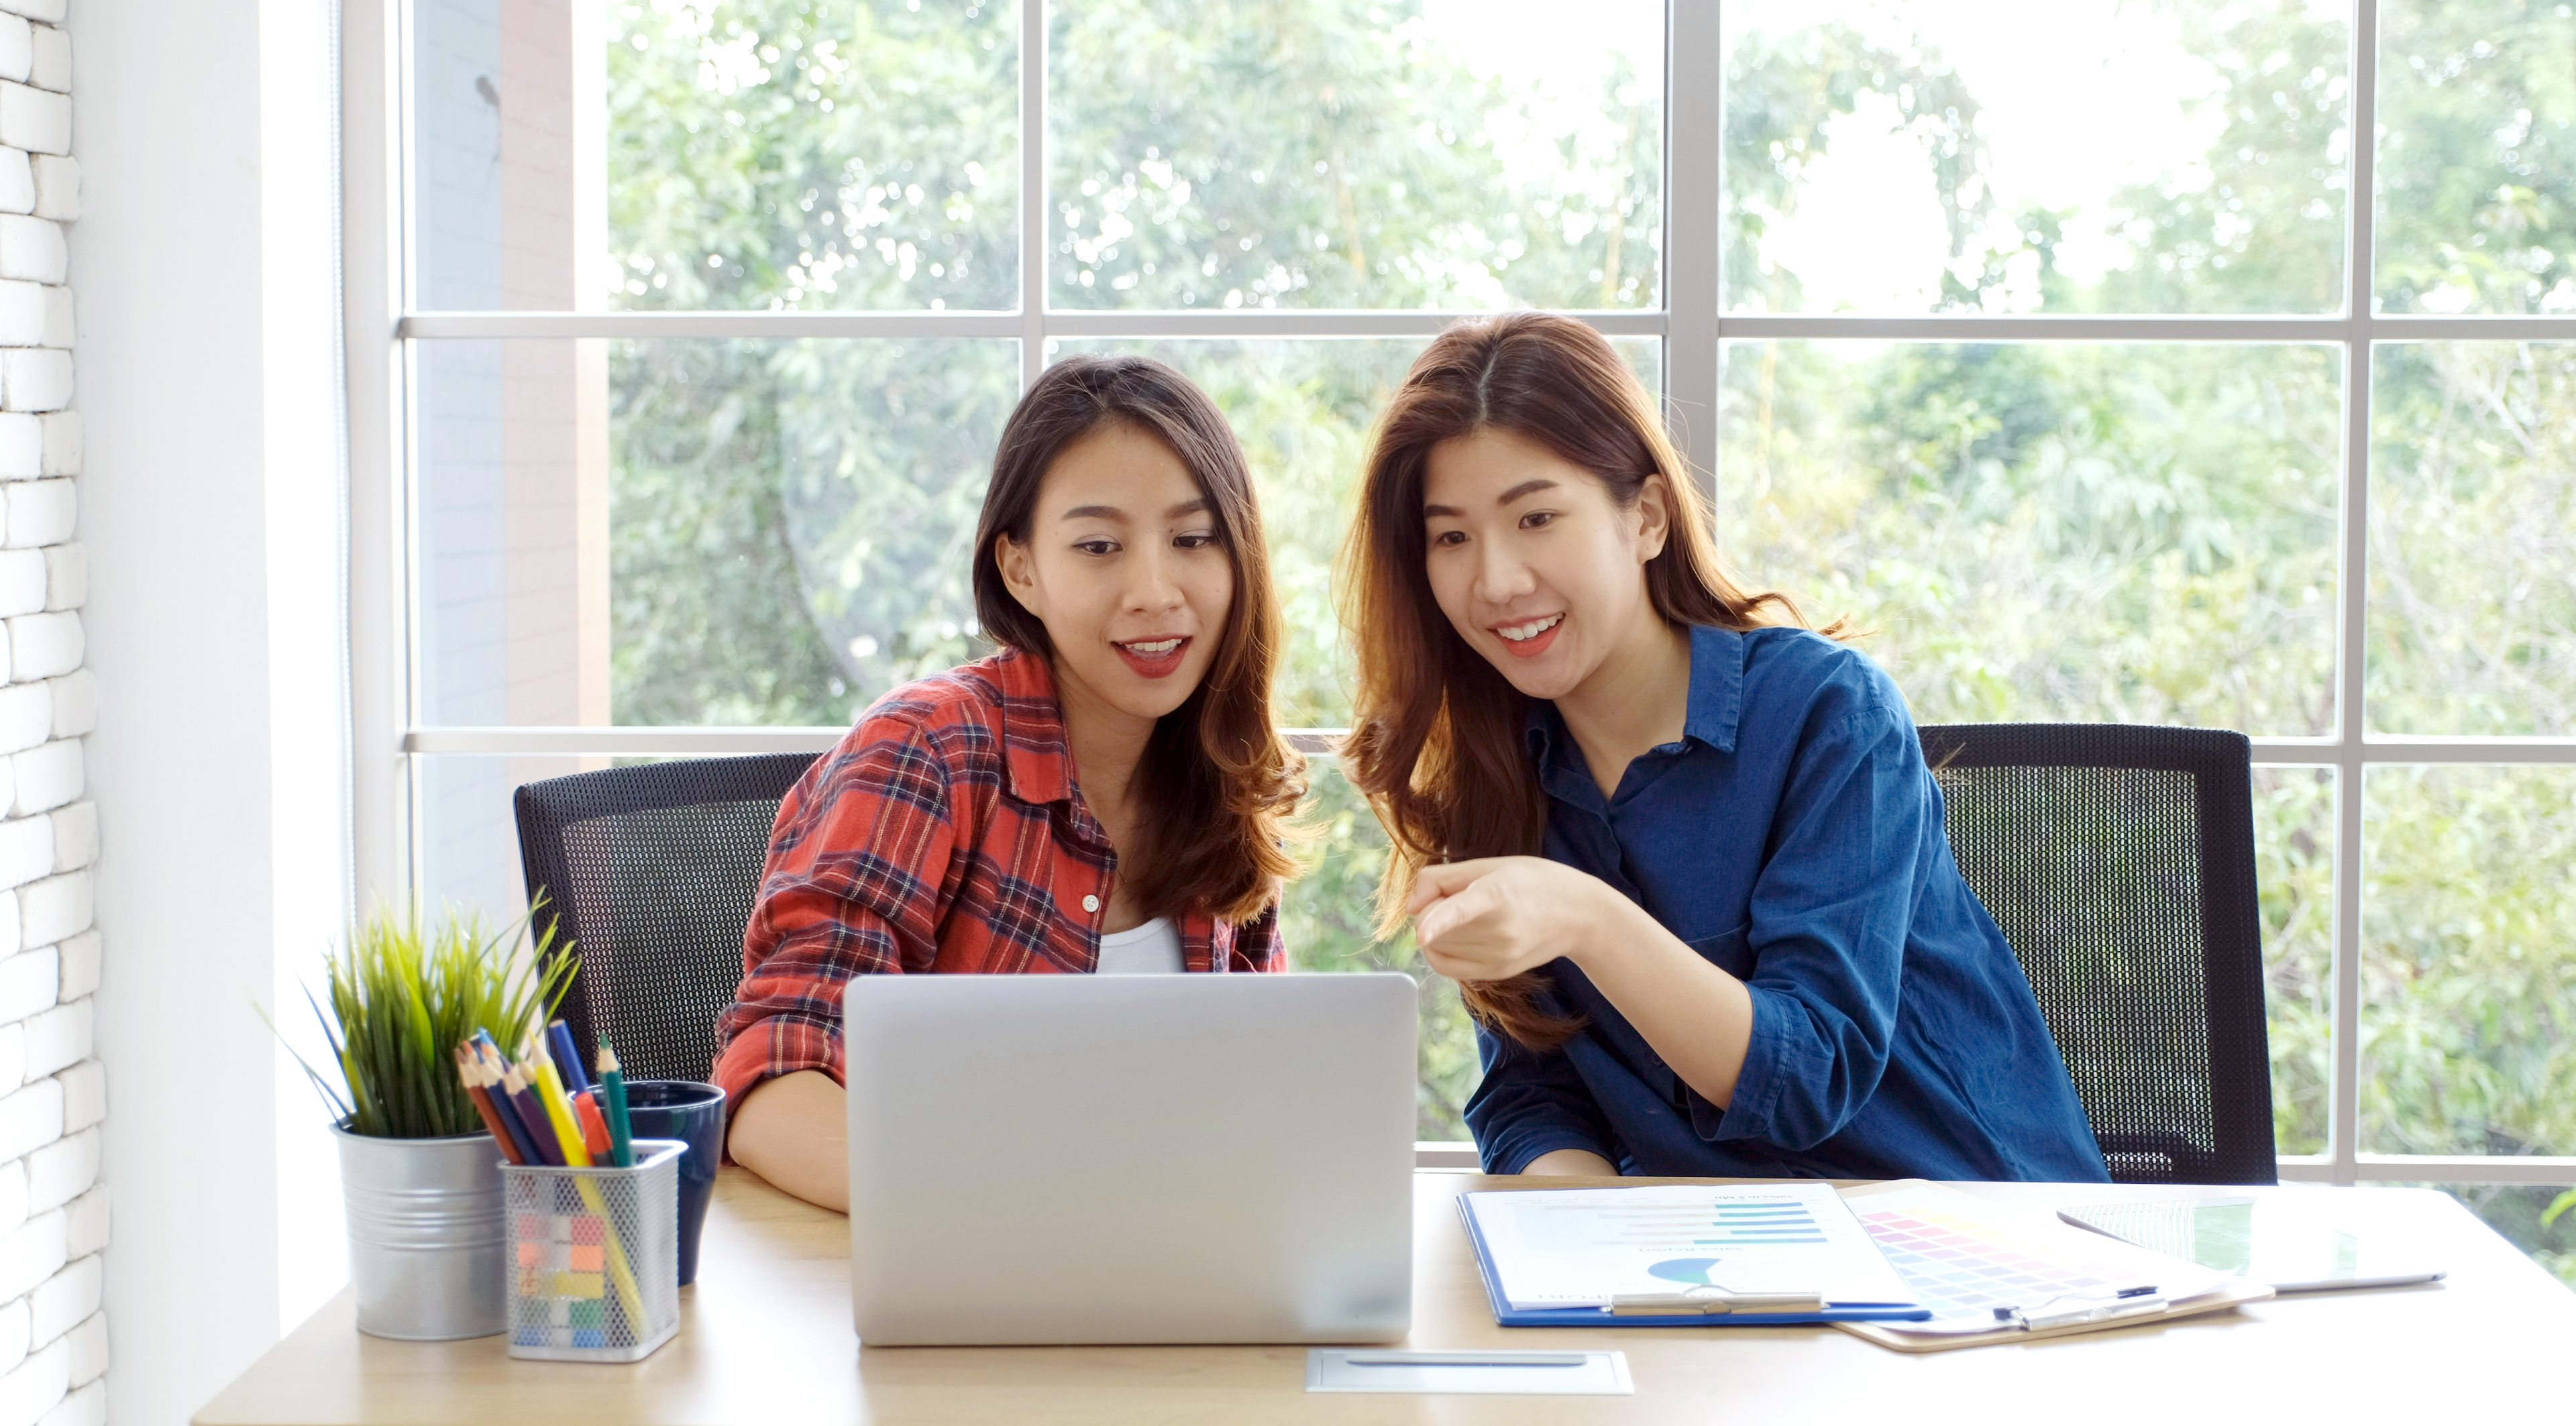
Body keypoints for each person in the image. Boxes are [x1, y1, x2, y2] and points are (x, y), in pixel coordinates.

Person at [1338, 313, 2108, 1183]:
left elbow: (1810, 1078)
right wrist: (1585, 1232)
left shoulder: (1828, 715)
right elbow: (1532, 1089)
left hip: (1968, 1245)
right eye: (1452, 537)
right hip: (1719, 1264)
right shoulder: (1497, 769)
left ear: (1648, 519)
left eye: (1538, 518)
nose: (1497, 581)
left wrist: (1586, 920)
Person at [716, 354, 1306, 1211]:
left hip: (1171, 1277)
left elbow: (1272, 1088)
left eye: (1192, 539)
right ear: (1022, 568)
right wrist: (1001, 1209)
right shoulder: (927, 754)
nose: (1154, 591)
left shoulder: (1220, 769)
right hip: (954, 1283)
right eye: (1098, 547)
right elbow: (774, 1075)